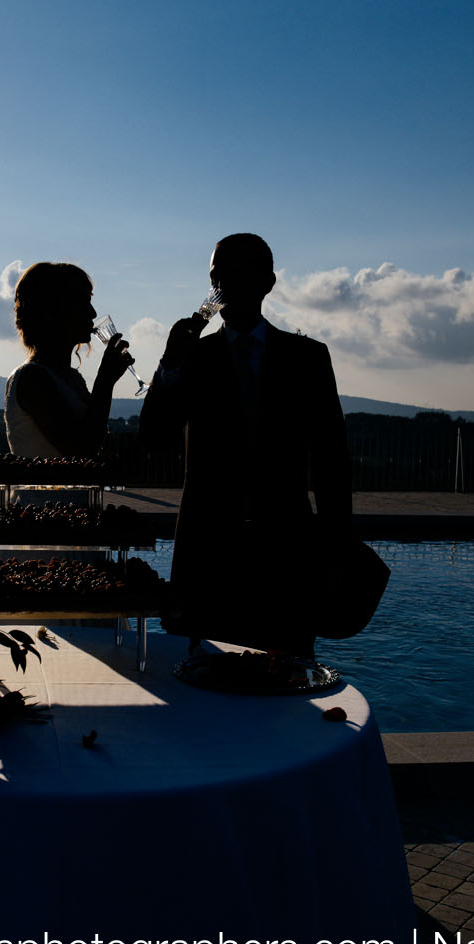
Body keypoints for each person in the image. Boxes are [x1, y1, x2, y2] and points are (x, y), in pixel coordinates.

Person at [139, 233, 354, 656]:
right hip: (205, 556)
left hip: (286, 555)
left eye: (235, 271)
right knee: (198, 691)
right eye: (216, 274)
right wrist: (169, 365)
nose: (222, 284)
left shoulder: (307, 357)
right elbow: (153, 439)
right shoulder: (193, 357)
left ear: (267, 282)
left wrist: (336, 551)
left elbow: (332, 460)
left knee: (287, 692)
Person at [4, 262, 133, 457]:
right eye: (82, 303)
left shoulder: (72, 379)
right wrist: (105, 381)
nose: (93, 313)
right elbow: (82, 449)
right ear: (53, 312)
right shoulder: (32, 379)